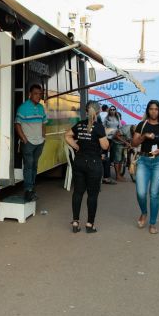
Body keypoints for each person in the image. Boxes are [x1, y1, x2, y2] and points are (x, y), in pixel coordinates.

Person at [65, 100, 110, 234]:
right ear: (98, 112)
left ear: (86, 111)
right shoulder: (98, 127)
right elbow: (105, 146)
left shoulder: (79, 125)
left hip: (79, 161)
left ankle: (75, 222)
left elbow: (67, 136)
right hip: (94, 164)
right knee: (92, 195)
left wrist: (77, 146)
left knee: (78, 192)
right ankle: (90, 225)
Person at [132, 100, 159, 235]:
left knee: (154, 194)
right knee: (140, 192)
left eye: (156, 109)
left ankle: (153, 222)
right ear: (147, 110)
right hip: (143, 161)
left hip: (158, 162)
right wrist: (144, 136)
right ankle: (144, 212)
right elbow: (133, 143)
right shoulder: (142, 125)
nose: (153, 111)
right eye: (151, 109)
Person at [15, 84, 47, 202]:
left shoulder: (41, 107)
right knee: (28, 166)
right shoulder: (23, 107)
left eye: (40, 94)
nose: (38, 96)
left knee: (34, 166)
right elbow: (17, 124)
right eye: (36, 94)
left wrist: (43, 137)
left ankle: (32, 189)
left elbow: (43, 123)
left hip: (39, 142)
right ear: (30, 94)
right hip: (28, 142)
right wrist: (24, 139)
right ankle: (28, 190)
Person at [102, 105, 121, 184]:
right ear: (109, 110)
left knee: (114, 155)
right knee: (107, 156)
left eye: (114, 109)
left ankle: (115, 174)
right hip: (108, 138)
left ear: (115, 110)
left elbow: (119, 127)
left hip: (116, 138)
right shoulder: (107, 118)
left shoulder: (117, 117)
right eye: (111, 109)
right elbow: (103, 127)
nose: (112, 110)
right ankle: (106, 176)